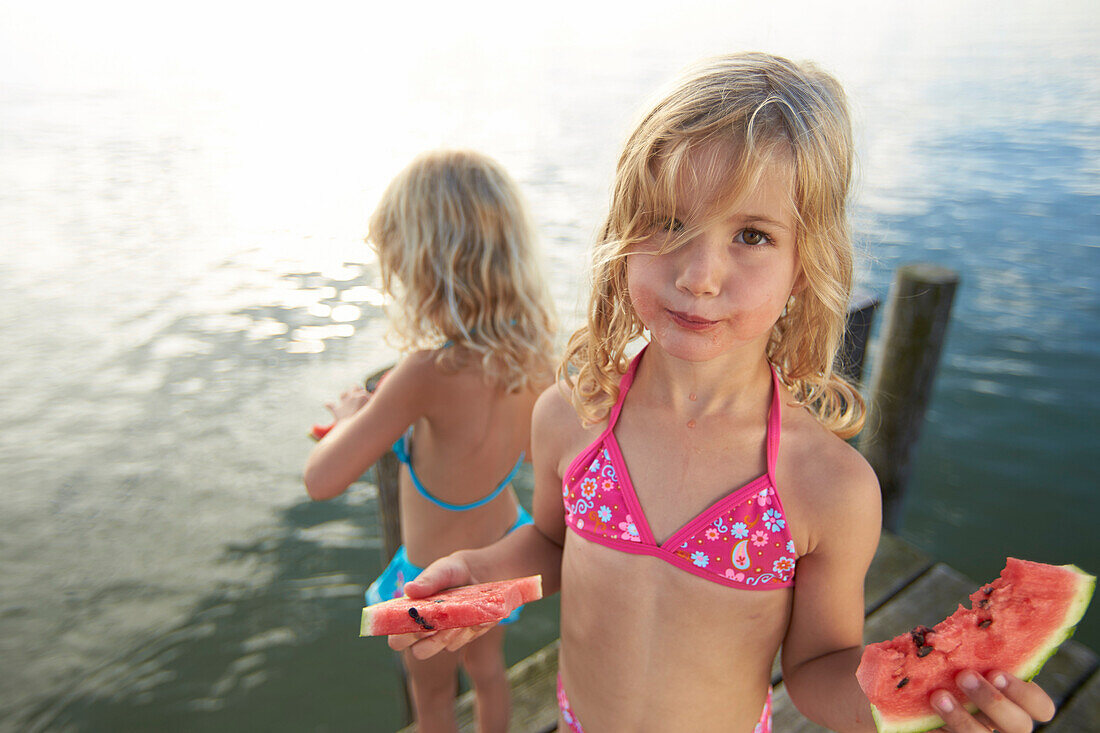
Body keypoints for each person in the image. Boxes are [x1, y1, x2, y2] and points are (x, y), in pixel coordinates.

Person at [384, 54, 1059, 732]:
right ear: (623, 235)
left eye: (751, 235)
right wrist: (486, 571)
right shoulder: (572, 416)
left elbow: (819, 664)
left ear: (805, 265)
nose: (700, 274)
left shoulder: (827, 485)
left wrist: (922, 705)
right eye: (669, 222)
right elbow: (555, 545)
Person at [303, 149, 556, 733]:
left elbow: (322, 480)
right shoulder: (535, 359)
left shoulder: (423, 373)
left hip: (430, 572)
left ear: (420, 266)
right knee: (490, 674)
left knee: (432, 699)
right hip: (502, 547)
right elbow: (527, 455)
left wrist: (349, 418)